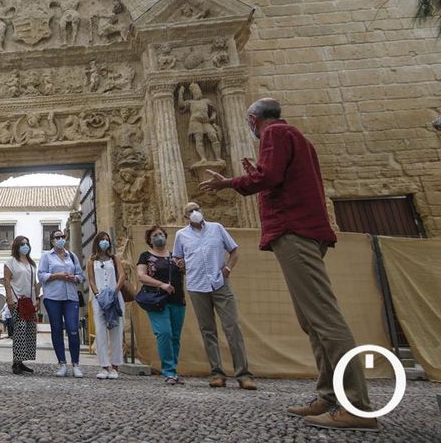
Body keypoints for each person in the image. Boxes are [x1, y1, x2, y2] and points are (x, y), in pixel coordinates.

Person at [199, 98, 377, 431]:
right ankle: (328, 394)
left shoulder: (275, 135)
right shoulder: (298, 138)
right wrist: (258, 175)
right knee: (311, 319)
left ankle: (356, 405)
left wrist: (230, 183)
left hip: (294, 230)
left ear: (254, 119)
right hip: (304, 228)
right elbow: (277, 177)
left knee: (324, 317)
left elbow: (270, 176)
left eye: (249, 122)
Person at [172, 202, 256, 390]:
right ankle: (217, 373)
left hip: (220, 283)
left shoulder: (217, 228)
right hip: (196, 285)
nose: (195, 212)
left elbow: (234, 250)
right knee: (207, 330)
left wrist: (228, 268)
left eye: (197, 209)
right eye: (190, 211)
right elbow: (177, 257)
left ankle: (243, 374)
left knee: (232, 327)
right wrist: (180, 264)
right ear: (185, 217)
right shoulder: (181, 235)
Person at [137, 225, 186, 384]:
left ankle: (174, 370)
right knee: (164, 333)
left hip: (177, 299)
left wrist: (184, 267)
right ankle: (168, 371)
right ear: (150, 240)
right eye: (155, 235)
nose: (159, 236)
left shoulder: (175, 257)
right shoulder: (145, 256)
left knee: (175, 337)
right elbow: (141, 276)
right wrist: (161, 284)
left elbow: (186, 273)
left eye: (161, 234)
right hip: (157, 300)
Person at [38, 229, 85, 378]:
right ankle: (62, 363)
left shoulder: (72, 256)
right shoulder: (46, 256)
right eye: (57, 237)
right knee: (56, 329)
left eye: (62, 237)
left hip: (71, 297)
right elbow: (41, 275)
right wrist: (56, 275)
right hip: (53, 297)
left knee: (72, 329)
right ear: (52, 240)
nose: (61, 239)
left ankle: (76, 364)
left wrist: (75, 278)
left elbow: (81, 275)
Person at [87, 232, 125, 380]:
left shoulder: (115, 259)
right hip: (99, 297)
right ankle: (103, 366)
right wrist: (97, 295)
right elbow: (91, 279)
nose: (105, 242)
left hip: (114, 296)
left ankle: (115, 366)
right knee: (101, 331)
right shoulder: (91, 260)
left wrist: (115, 290)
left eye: (107, 240)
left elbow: (121, 275)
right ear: (97, 242)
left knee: (116, 330)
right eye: (102, 240)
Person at [3, 235, 40, 375]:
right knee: (20, 329)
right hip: (17, 299)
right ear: (17, 246)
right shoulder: (10, 262)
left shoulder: (31, 263)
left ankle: (22, 360)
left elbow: (34, 282)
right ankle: (16, 362)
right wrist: (9, 298)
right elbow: (7, 280)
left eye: (27, 243)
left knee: (29, 330)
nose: (26, 246)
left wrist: (37, 298)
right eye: (23, 244)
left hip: (29, 301)